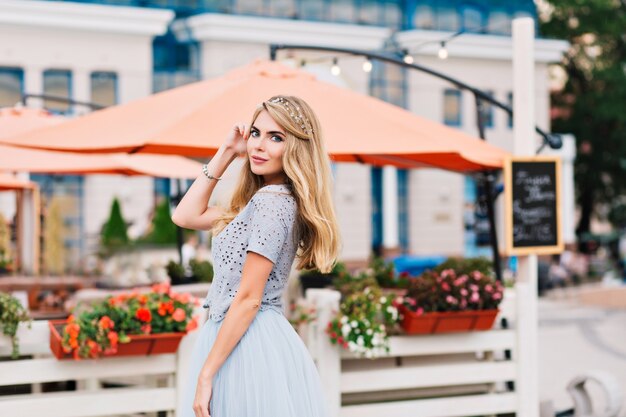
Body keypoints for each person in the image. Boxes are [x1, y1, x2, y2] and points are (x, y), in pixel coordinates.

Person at [172, 95, 340, 417]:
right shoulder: (263, 202)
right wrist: (226, 152)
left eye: (276, 137)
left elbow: (249, 297)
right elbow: (185, 215)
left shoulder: (271, 202)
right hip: (245, 338)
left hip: (245, 341)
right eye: (256, 133)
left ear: (296, 148)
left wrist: (206, 374)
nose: (259, 146)